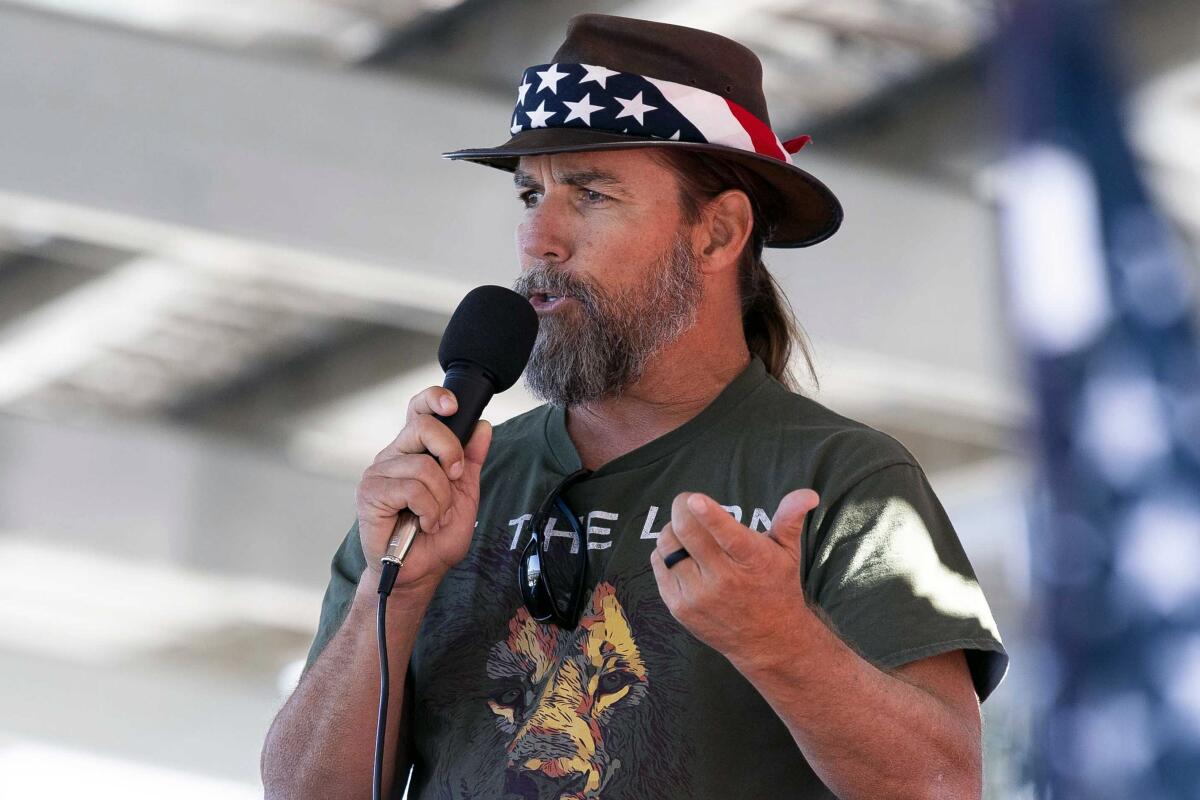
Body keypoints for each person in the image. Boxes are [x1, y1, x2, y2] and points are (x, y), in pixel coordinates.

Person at [261, 13, 1008, 800]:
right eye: (529, 193)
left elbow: (941, 786)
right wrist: (395, 591)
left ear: (718, 233)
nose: (539, 238)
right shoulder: (438, 490)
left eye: (589, 193)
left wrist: (781, 643)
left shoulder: (842, 480)